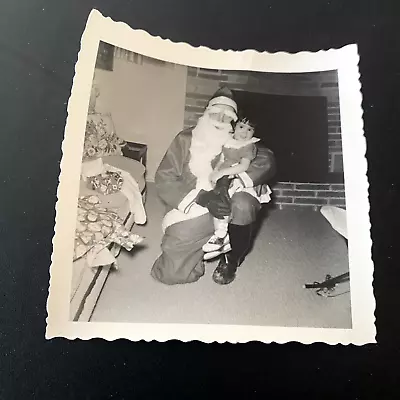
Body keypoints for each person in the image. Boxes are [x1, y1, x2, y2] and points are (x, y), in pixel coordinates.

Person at [151, 87, 276, 285]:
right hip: (194, 205)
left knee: (243, 203)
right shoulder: (185, 139)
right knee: (171, 274)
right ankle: (205, 244)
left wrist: (227, 182)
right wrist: (200, 197)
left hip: (228, 204)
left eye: (227, 116)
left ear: (234, 122)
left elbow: (266, 157)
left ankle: (232, 258)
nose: (220, 119)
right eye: (215, 113)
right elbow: (165, 177)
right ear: (206, 113)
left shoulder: (237, 140)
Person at [200, 117, 261, 252]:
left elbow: (243, 166)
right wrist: (215, 172)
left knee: (223, 199)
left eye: (250, 129)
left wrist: (223, 173)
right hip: (224, 176)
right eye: (241, 127)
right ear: (234, 127)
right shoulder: (228, 142)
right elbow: (221, 160)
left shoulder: (248, 146)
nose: (245, 132)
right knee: (210, 196)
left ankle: (221, 234)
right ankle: (218, 232)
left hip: (236, 177)